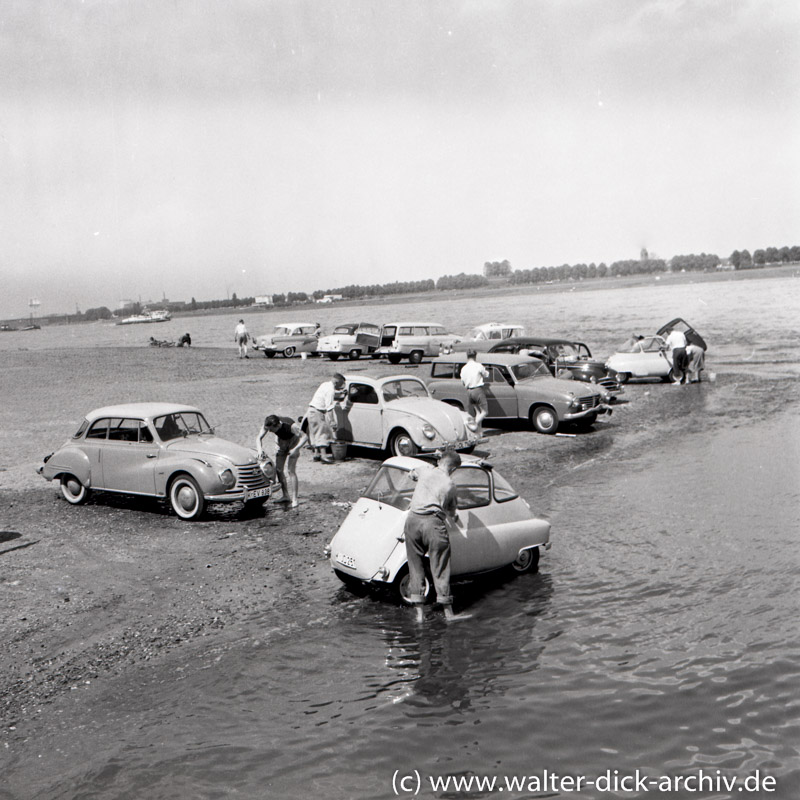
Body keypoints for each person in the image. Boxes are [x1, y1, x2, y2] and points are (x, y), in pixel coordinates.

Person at [404, 451, 471, 623]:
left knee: (415, 566)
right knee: (440, 566)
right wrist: (454, 516)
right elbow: (451, 511)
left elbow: (411, 473)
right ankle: (449, 613)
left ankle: (420, 615)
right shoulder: (449, 484)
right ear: (454, 468)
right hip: (433, 524)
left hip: (412, 522)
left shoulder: (425, 470)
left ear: (439, 460)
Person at [256, 414, 308, 508]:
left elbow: (304, 437)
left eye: (271, 430)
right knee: (279, 469)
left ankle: (294, 499)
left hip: (294, 441)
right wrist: (260, 449)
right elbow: (258, 437)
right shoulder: (268, 423)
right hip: (281, 442)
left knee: (291, 471)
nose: (270, 431)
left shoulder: (291, 426)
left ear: (278, 425)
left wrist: (296, 449)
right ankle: (285, 495)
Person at [306, 373, 346, 463]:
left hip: (311, 410)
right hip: (317, 411)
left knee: (314, 433)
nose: (342, 386)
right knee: (322, 432)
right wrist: (332, 421)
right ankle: (324, 456)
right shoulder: (330, 391)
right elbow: (329, 408)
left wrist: (340, 393)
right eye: (341, 384)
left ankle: (316, 454)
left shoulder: (325, 384)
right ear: (336, 382)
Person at [459, 349, 489, 432]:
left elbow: (463, 382)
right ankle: (472, 426)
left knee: (478, 413)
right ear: (475, 356)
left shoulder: (464, 368)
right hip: (478, 390)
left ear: (467, 356)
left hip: (469, 391)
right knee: (484, 412)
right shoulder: (478, 365)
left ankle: (479, 432)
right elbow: (486, 374)